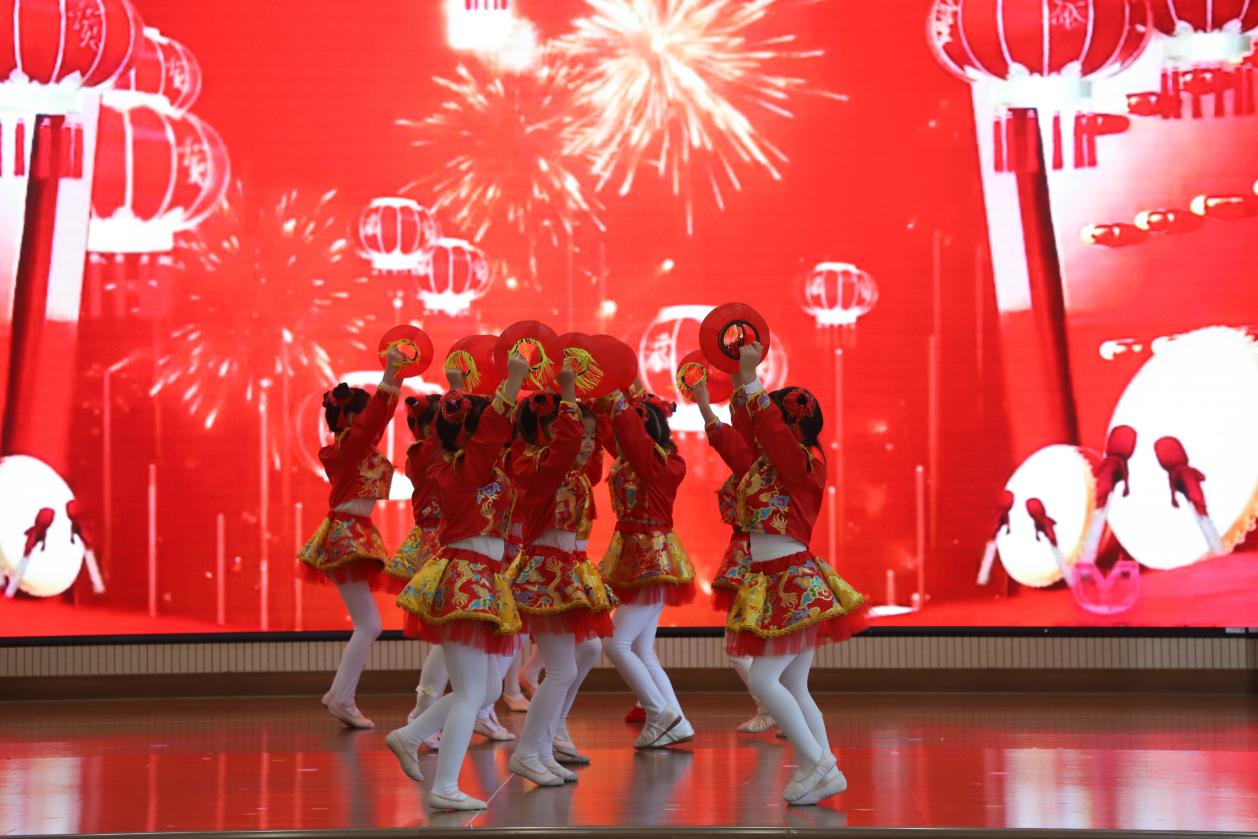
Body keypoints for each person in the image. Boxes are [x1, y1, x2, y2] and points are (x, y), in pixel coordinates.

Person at [712, 342, 867, 806]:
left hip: (792, 579)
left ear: (790, 425)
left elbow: (769, 432)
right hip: (776, 577)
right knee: (795, 686)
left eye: (772, 422)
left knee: (765, 681)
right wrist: (734, 380)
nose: (762, 431)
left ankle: (819, 764)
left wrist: (751, 378)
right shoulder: (768, 465)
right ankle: (821, 767)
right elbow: (747, 430)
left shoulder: (803, 464)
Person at [385, 353, 528, 811]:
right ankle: (444, 786)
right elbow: (486, 433)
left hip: (479, 578)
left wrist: (457, 389)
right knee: (471, 692)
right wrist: (512, 381)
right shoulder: (463, 469)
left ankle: (411, 735)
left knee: (485, 690)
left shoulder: (464, 466)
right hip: (467, 580)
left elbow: (478, 434)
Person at [508, 376, 616, 784]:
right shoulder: (534, 464)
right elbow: (565, 446)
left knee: (575, 658)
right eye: (576, 433)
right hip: (545, 574)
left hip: (564, 569)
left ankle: (541, 747)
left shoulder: (569, 472)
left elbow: (582, 450)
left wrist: (590, 401)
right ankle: (529, 751)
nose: (585, 443)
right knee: (561, 671)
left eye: (590, 436)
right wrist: (568, 395)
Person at [297, 346, 405, 729]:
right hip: (347, 536)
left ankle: (339, 694)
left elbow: (380, 416)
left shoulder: (355, 448)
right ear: (353, 419)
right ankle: (341, 697)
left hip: (351, 533)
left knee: (368, 624)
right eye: (364, 417)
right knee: (369, 625)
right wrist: (389, 374)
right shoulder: (349, 448)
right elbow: (376, 417)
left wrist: (397, 377)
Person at [598, 385, 695, 749]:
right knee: (640, 649)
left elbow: (631, 441)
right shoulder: (635, 459)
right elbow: (611, 436)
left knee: (615, 643)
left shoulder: (657, 463)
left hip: (650, 560)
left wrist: (616, 397)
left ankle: (660, 714)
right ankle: (677, 720)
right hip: (637, 558)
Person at [695, 371, 777, 735]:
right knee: (767, 644)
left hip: (753, 558)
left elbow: (727, 442)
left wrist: (703, 405)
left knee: (739, 646)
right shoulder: (764, 462)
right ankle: (780, 708)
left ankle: (770, 706)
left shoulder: (756, 463)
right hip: (758, 555)